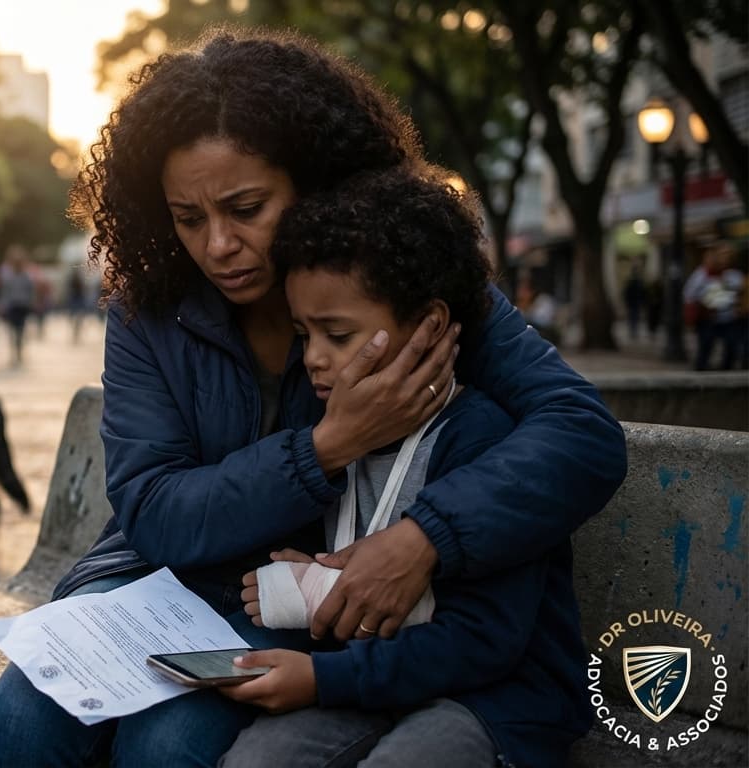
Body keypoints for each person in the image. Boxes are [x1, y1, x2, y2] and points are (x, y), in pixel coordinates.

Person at [0, 29, 625, 767]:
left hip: (298, 599)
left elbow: (580, 432)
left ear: (314, 180)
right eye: (189, 218)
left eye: (246, 208)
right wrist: (329, 446)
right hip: (154, 583)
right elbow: (152, 509)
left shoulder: (397, 288)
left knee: (170, 742)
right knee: (24, 715)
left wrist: (422, 539)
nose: (218, 245)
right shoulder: (147, 312)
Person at [221, 168, 589, 768]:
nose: (314, 358)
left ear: (430, 325)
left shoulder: (477, 437)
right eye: (303, 334)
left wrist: (321, 679)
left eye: (339, 335)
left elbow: (484, 640)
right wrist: (314, 579)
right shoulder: (326, 426)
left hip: (491, 698)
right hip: (375, 677)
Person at [683, 244, 744, 371]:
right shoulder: (702, 273)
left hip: (729, 317)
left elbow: (739, 293)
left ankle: (726, 370)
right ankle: (701, 370)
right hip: (708, 318)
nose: (724, 258)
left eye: (728, 255)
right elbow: (689, 294)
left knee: (731, 346)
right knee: (706, 346)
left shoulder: (734, 275)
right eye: (722, 255)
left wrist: (737, 305)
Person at [0, 246, 35, 366]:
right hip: (12, 306)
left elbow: (30, 291)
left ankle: (19, 351)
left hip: (22, 306)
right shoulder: (9, 277)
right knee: (12, 331)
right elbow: (5, 292)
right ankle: (14, 352)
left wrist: (31, 303)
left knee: (20, 331)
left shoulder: (26, 276)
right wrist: (2, 305)